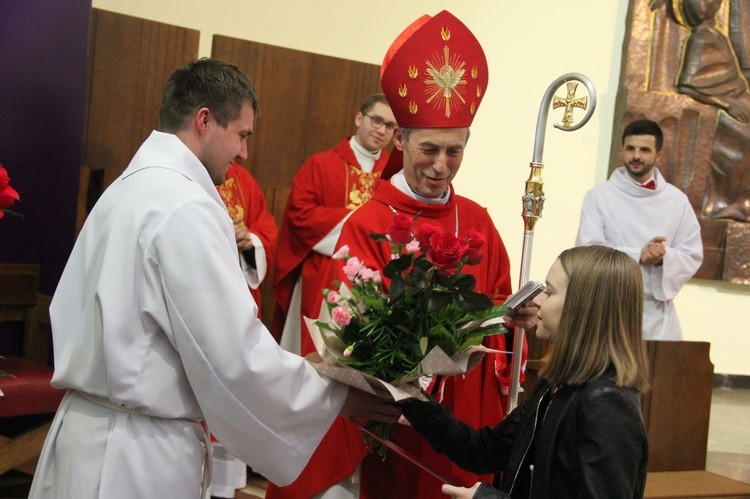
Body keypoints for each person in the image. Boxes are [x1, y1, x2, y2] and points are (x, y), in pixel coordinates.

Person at [28, 57, 401, 499]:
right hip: (136, 457)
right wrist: (335, 395)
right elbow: (233, 355)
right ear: (204, 120)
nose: (244, 152)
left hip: (85, 434)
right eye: (241, 134)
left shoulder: (128, 187)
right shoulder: (187, 205)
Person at [266, 11, 537, 499]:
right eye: (429, 148)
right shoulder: (370, 220)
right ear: (401, 139)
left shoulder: (477, 223)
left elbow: (498, 310)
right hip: (391, 415)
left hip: (457, 419)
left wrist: (513, 319)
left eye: (454, 152)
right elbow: (345, 320)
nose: (440, 166)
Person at [403, 245, 650, 499]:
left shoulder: (607, 403)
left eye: (550, 292)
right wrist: (409, 396)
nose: (538, 300)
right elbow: (484, 451)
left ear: (583, 307)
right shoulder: (557, 386)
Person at [272, 93, 396, 352]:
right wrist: (357, 221)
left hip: (372, 282)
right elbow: (300, 215)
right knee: (309, 352)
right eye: (376, 120)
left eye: (389, 126)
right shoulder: (321, 164)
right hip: (321, 274)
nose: (381, 130)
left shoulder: (394, 176)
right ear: (359, 118)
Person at [576, 119, 703, 340]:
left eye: (645, 150)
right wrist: (638, 255)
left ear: (658, 156)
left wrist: (664, 257)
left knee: (661, 373)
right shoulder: (599, 196)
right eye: (631, 149)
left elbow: (692, 253)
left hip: (658, 312)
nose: (637, 156)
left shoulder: (676, 201)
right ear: (621, 151)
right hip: (611, 309)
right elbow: (588, 251)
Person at [211, 163, 278, 498]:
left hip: (233, 306)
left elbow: (266, 228)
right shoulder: (176, 174)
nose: (243, 151)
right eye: (240, 136)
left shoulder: (243, 180)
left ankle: (221, 489)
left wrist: (248, 239)